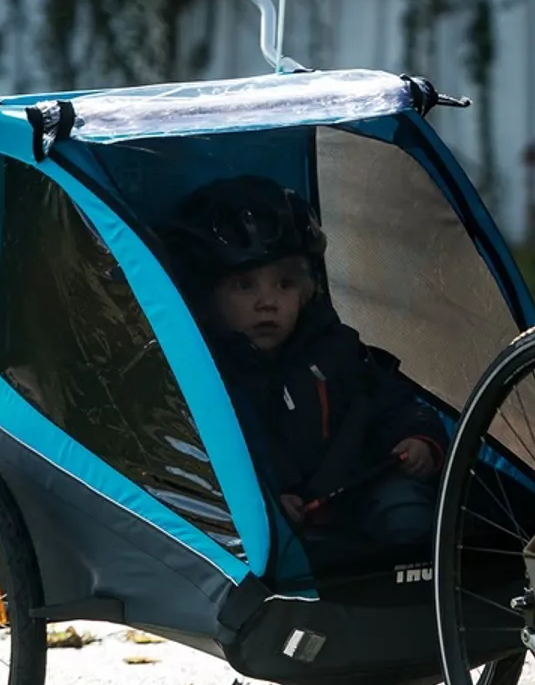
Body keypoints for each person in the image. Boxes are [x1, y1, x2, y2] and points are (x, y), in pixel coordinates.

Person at [180, 175, 446, 566]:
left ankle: (422, 587)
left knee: (405, 506)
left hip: (354, 495)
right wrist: (268, 494)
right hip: (268, 522)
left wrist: (418, 439)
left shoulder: (336, 349)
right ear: (208, 299)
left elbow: (390, 402)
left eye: (285, 284)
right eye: (245, 286)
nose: (267, 302)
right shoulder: (206, 373)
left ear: (307, 292)